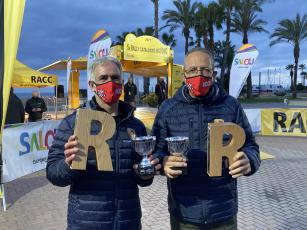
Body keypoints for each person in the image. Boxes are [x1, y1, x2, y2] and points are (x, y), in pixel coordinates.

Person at [46, 56, 161, 230]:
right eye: (103, 78)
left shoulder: (135, 125)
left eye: (115, 78)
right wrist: (68, 164)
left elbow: (142, 177)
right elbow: (53, 173)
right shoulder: (73, 123)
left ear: (121, 84)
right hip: (86, 222)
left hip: (127, 221)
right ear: (92, 85)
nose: (110, 82)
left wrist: (145, 174)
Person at [152, 48, 261, 230]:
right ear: (184, 74)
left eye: (205, 70)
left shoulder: (231, 105)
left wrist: (250, 160)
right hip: (184, 214)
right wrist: (163, 163)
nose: (199, 75)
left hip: (223, 212)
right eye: (192, 70)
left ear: (214, 74)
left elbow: (250, 145)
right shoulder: (168, 108)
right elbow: (157, 149)